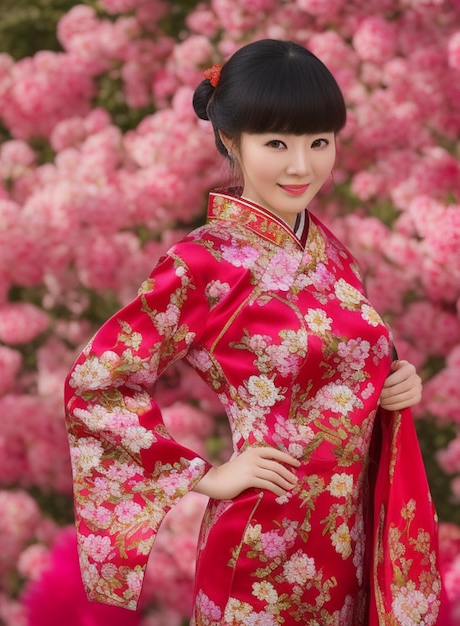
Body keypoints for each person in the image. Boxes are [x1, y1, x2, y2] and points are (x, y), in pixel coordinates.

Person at [64, 39, 443, 625]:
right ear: (230, 142)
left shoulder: (334, 257)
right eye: (276, 144)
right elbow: (96, 382)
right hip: (263, 544)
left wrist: (398, 382)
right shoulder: (203, 264)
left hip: (348, 539)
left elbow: (353, 363)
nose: (301, 165)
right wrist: (207, 475)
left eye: (319, 143)